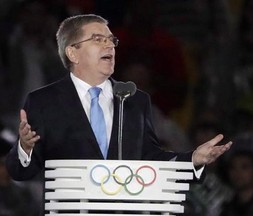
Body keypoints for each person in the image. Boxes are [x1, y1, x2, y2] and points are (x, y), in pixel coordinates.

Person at [5, 14, 231, 195]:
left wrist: (192, 160)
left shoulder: (133, 100)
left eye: (111, 40)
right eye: (98, 40)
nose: (109, 47)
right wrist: (25, 148)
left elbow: (150, 159)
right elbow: (20, 171)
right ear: (73, 52)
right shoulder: (44, 102)